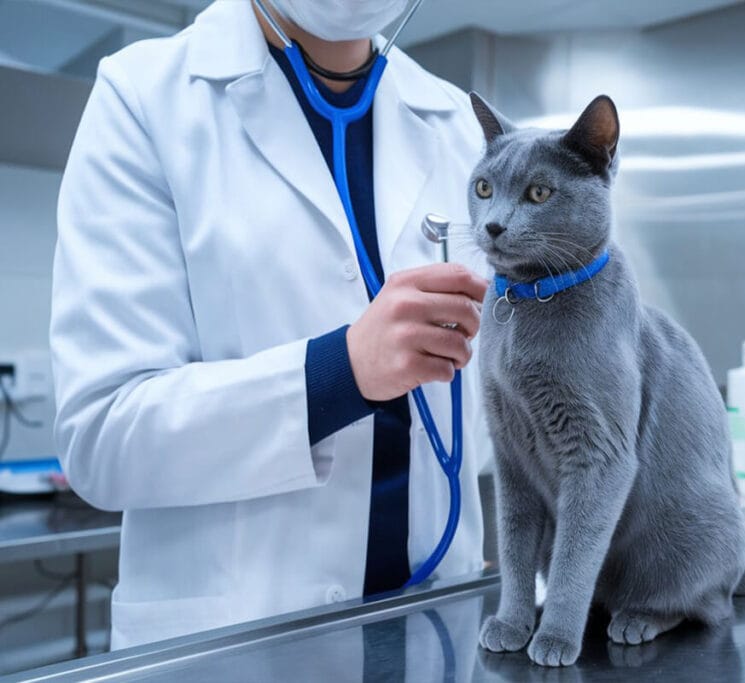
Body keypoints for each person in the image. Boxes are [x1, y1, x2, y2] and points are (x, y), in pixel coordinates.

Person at [50, 0, 492, 649]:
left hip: (433, 625)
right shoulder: (145, 97)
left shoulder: (454, 121)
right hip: (235, 644)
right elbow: (101, 433)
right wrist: (338, 373)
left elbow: (476, 412)